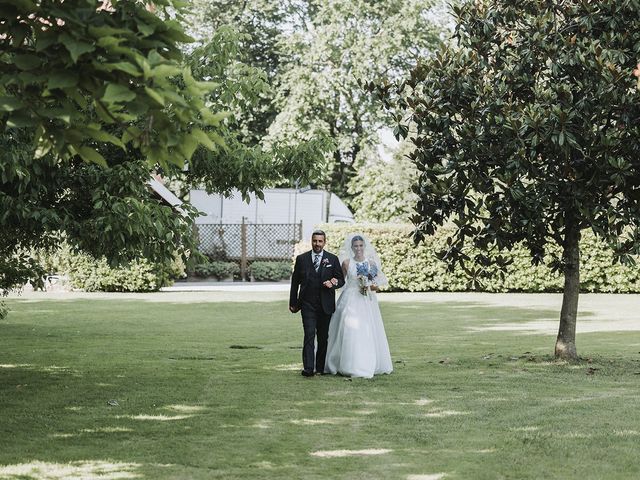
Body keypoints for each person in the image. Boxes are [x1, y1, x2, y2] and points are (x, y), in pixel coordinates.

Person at [324, 233, 393, 379]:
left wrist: (368, 285)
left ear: (364, 246)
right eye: (356, 246)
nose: (358, 248)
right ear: (352, 247)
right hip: (350, 299)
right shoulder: (346, 263)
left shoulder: (372, 263)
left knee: (367, 330)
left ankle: (366, 363)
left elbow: (377, 286)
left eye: (361, 245)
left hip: (367, 300)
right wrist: (331, 282)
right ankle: (345, 363)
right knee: (347, 329)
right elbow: (342, 282)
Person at [290, 230, 345, 377]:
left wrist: (333, 283)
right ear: (311, 241)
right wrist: (293, 302)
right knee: (309, 335)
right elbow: (295, 282)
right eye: (315, 241)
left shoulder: (332, 259)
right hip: (307, 304)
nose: (317, 244)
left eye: (320, 241)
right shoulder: (302, 259)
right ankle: (308, 368)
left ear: (324, 242)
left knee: (322, 337)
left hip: (325, 305)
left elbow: (341, 280)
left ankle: (320, 368)